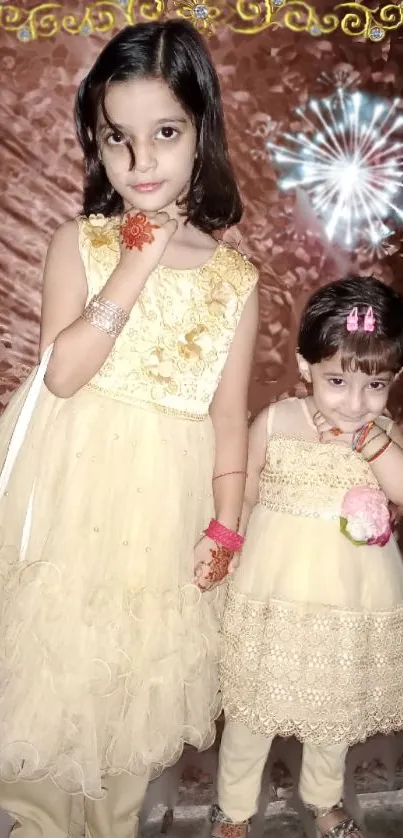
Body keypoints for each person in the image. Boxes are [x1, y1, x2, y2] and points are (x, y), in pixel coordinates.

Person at [0, 20, 259, 838]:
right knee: (57, 666)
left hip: (166, 512)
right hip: (72, 490)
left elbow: (227, 417)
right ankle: (36, 822)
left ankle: (111, 825)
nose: (142, 162)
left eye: (165, 134)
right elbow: (64, 373)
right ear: (97, 143)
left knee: (130, 686)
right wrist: (136, 261)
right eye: (120, 139)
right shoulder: (79, 243)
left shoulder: (234, 280)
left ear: (200, 134)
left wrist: (224, 523)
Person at [211, 275, 403, 838]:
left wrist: (373, 445)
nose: (354, 401)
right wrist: (230, 550)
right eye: (337, 381)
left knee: (333, 712)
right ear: (305, 367)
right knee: (252, 711)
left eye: (376, 385)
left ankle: (323, 799)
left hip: (350, 597)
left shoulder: (381, 432)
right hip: (274, 592)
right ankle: (234, 807)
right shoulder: (277, 421)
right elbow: (243, 494)